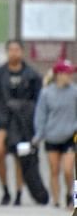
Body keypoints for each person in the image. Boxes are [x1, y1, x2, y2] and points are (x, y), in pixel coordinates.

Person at [0, 39, 42, 206]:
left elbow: (39, 101)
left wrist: (37, 126)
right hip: (4, 119)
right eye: (11, 50)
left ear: (22, 52)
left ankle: (18, 192)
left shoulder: (32, 75)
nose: (14, 53)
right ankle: (5, 190)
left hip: (23, 122)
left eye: (17, 50)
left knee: (20, 156)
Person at [33, 59, 77, 208]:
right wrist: (39, 134)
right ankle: (56, 199)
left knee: (68, 169)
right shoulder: (46, 93)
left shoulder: (74, 91)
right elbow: (41, 115)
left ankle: (70, 195)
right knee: (54, 169)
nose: (69, 76)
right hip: (52, 135)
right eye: (67, 73)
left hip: (71, 135)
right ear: (58, 74)